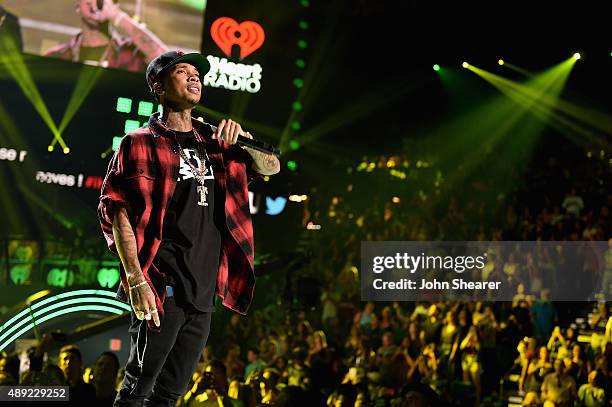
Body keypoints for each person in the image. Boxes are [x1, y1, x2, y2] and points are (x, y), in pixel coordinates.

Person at [98, 50, 279, 406]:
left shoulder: (217, 142)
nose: (194, 77)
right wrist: (136, 280)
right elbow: (117, 213)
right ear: (159, 86)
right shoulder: (138, 142)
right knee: (138, 389)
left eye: (197, 73)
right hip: (162, 285)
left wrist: (241, 141)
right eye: (182, 72)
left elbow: (271, 166)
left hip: (204, 290)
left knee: (171, 393)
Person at [45, 0, 168, 71]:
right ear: (78, 4)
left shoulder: (133, 53)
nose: (94, 3)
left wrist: (119, 17)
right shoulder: (56, 56)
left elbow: (169, 62)